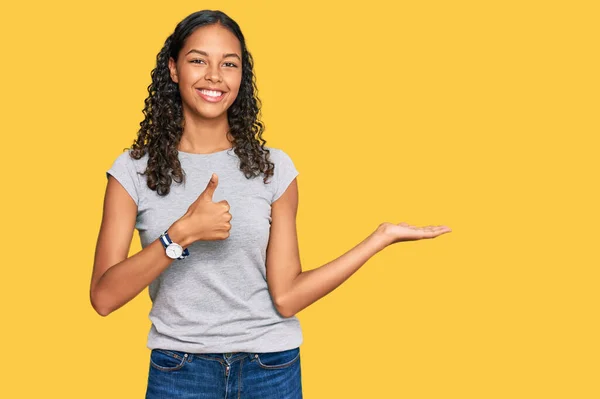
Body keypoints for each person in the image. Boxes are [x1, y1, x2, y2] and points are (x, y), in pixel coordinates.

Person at [90, 9, 452, 399]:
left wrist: (379, 238)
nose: (214, 75)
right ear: (174, 69)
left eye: (229, 64)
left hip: (270, 367)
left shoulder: (273, 168)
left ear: (241, 76)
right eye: (198, 60)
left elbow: (287, 295)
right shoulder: (132, 170)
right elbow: (104, 297)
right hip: (180, 370)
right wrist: (180, 234)